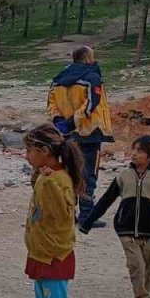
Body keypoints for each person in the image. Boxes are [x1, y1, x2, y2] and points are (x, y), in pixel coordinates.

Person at [18, 124, 85, 298]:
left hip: (53, 257)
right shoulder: (50, 178)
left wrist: (43, 180)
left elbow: (61, 216)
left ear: (44, 152)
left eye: (29, 150)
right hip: (42, 254)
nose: (26, 156)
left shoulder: (55, 181)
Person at [80, 135, 150, 298]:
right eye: (134, 150)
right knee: (136, 264)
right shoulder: (123, 176)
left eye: (139, 151)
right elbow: (105, 201)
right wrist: (88, 223)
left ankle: (146, 294)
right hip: (126, 229)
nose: (134, 154)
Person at [47, 45, 114, 228]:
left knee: (70, 172)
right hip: (89, 131)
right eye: (93, 56)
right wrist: (74, 121)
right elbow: (92, 103)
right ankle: (86, 214)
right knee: (88, 173)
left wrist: (59, 120)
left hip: (67, 134)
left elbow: (50, 102)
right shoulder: (92, 77)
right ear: (87, 58)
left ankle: (68, 212)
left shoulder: (58, 79)